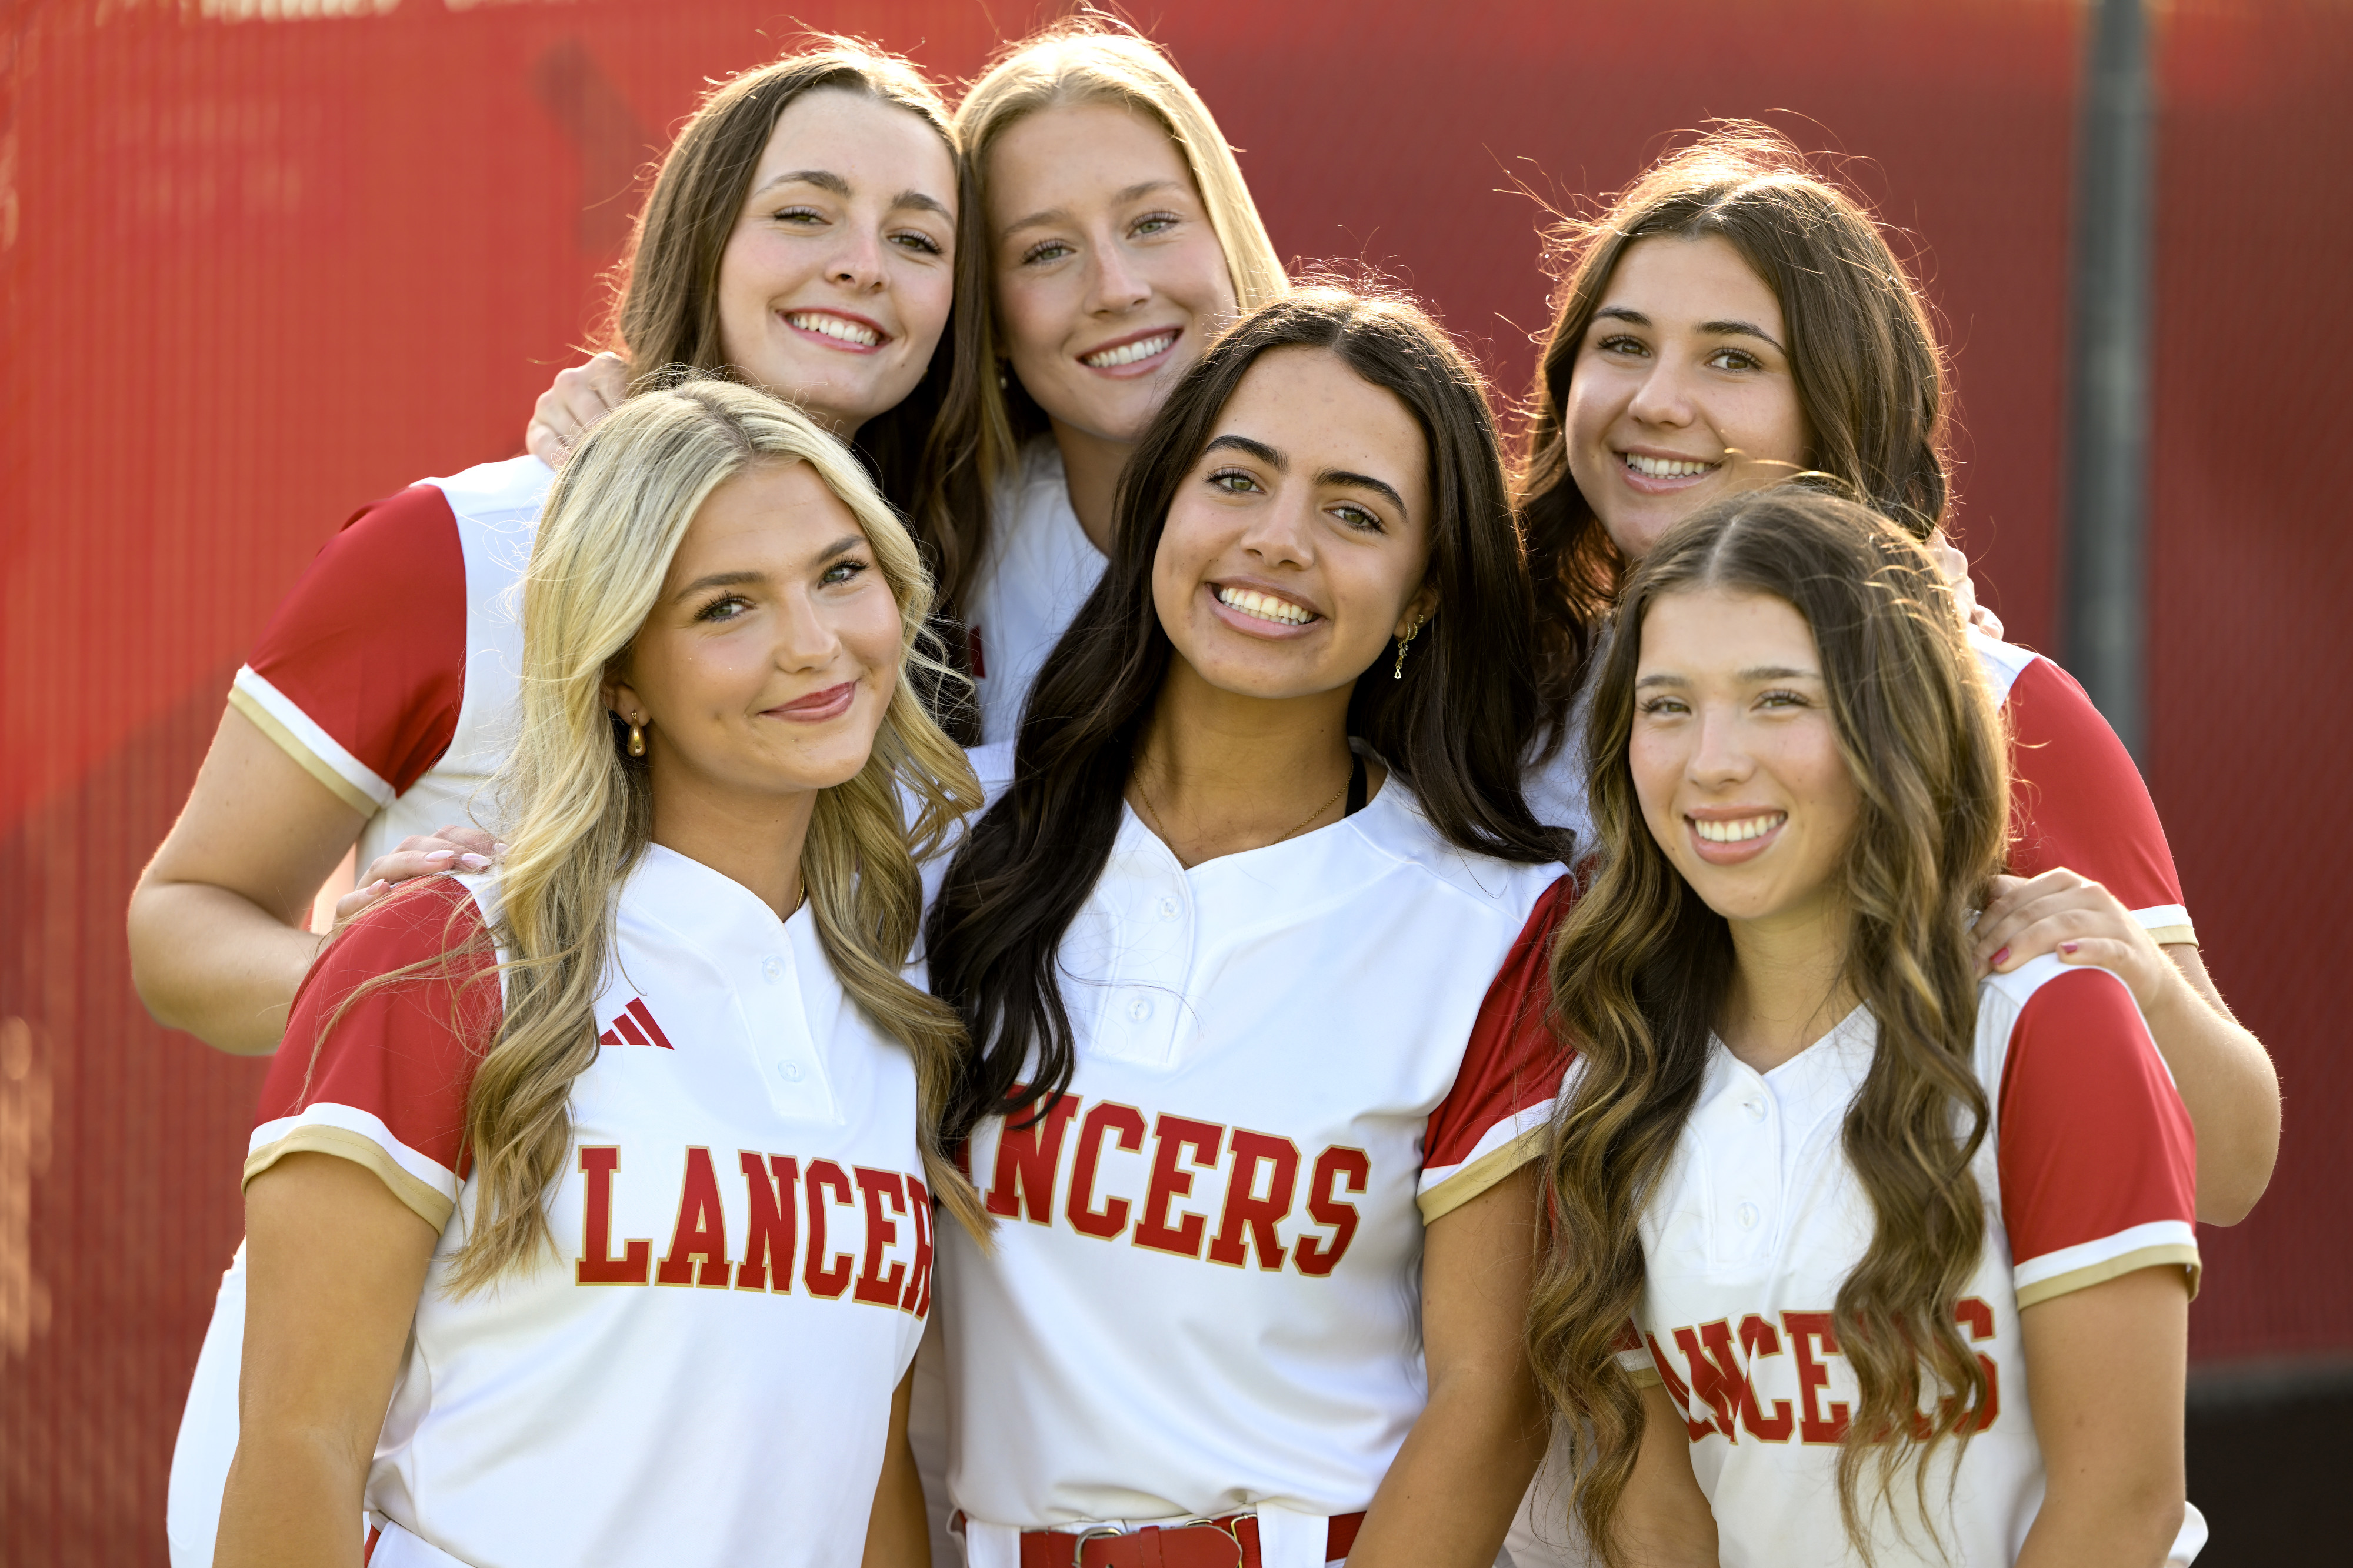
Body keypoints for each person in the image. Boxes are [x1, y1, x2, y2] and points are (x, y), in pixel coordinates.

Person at [134, 42, 967, 1566]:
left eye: (919, 237)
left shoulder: (899, 649)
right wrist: (441, 1014)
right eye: (808, 212)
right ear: (698, 237)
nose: (863, 265)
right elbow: (178, 923)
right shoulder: (460, 543)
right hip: (422, 1398)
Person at [216, 380, 987, 1567]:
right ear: (619, 672)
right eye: (726, 606)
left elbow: (857, 1467)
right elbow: (294, 1446)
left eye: (840, 572)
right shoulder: (446, 956)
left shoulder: (891, 1007)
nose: (813, 643)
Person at [1507, 128, 2273, 1231]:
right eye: (1622, 345)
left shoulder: (1997, 701)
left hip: (1841, 1373)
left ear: (1839, 402)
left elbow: (2230, 1166)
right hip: (1554, 1370)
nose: (1658, 401)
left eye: (1734, 358)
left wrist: (2138, 983)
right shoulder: (1507, 693)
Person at [924, 286, 1569, 1568]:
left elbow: (1489, 1398)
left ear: (1425, 591)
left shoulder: (1498, 922)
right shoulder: (938, 839)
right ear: (1160, 500)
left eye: (1353, 513)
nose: (1278, 540)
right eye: (1237, 479)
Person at [1525, 486, 2199, 1567]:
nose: (1713, 760)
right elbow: (1658, 1522)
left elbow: (2122, 1503)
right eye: (1666, 705)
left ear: (1895, 719)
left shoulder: (2046, 1024)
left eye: (1777, 699)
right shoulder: (1615, 1077)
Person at [529, 18, 1289, 742]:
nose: (1116, 288)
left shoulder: (1386, 489)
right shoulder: (933, 531)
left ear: (1227, 232)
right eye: (1043, 252)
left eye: (1153, 223)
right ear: (980, 312)